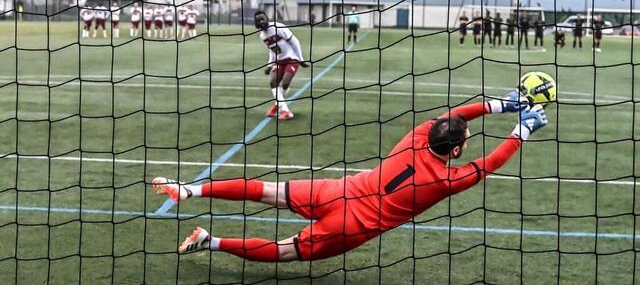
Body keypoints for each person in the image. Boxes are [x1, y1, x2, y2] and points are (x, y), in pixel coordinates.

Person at [151, 93, 548, 261]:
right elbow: (491, 162)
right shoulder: (446, 181)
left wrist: (498, 105)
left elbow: (453, 116)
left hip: (336, 191)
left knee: (264, 190)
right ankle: (211, 241)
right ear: (457, 151)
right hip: (350, 226)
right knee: (281, 250)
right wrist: (523, 129)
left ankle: (191, 188)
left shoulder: (415, 136)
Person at [254, 11, 308, 120]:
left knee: (285, 83)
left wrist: (301, 59)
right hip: (279, 61)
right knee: (273, 82)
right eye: (258, 20)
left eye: (262, 18)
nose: (261, 21)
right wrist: (269, 65)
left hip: (292, 58)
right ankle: (284, 110)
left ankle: (278, 106)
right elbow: (272, 50)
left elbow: (295, 41)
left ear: (267, 18)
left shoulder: (278, 27)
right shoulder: (262, 36)